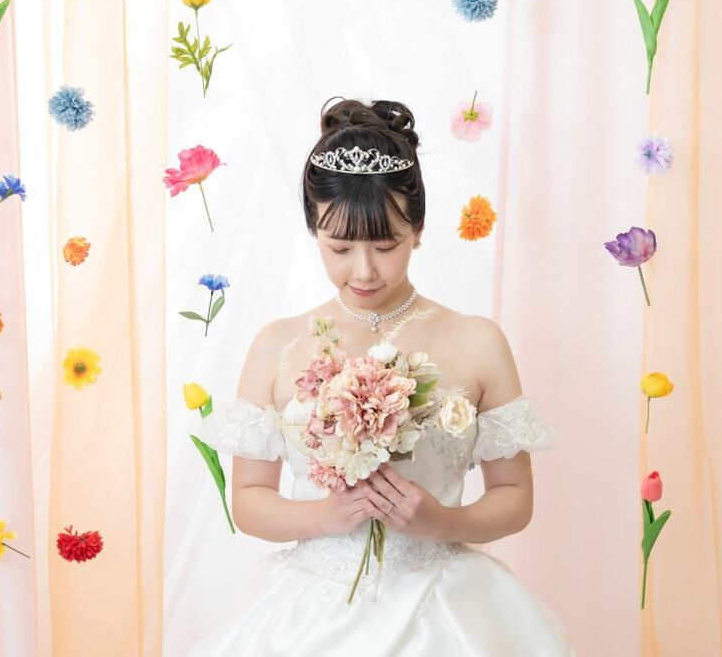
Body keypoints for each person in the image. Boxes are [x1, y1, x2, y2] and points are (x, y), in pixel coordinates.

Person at [189, 98, 575, 655]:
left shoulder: (477, 341)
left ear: (418, 229)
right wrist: (324, 516)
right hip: (309, 617)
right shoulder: (279, 344)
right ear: (314, 229)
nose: (364, 270)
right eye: (340, 247)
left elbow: (515, 496)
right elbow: (248, 500)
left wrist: (441, 522)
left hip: (445, 611)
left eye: (386, 245)